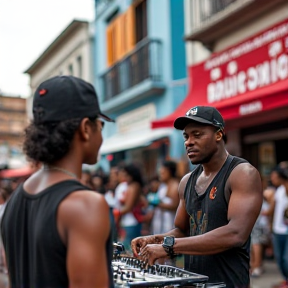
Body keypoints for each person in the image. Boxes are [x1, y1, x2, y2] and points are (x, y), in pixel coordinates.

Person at [1, 75, 115, 288]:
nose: (101, 133)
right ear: (86, 128)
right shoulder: (85, 205)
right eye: (101, 125)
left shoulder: (15, 200)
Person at [131, 106, 263, 288]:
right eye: (186, 136)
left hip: (228, 283)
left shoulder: (241, 174)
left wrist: (168, 246)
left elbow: (235, 234)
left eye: (197, 134)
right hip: (193, 282)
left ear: (218, 135)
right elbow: (182, 230)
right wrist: (155, 240)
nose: (189, 142)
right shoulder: (187, 182)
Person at [114, 163, 145, 251]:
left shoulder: (134, 186)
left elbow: (128, 207)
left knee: (130, 249)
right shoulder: (128, 186)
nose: (124, 177)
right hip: (126, 222)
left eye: (126, 175)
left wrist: (115, 213)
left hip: (132, 222)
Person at [268, 165, 288, 288]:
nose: (272, 179)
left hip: (287, 231)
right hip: (277, 229)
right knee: (279, 259)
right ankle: (286, 280)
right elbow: (272, 209)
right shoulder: (279, 190)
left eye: (274, 176)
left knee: (286, 259)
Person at [150, 160, 179, 235]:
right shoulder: (162, 186)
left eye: (163, 173)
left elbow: (175, 206)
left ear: (169, 172)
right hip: (159, 221)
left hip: (170, 221)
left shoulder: (175, 186)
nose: (161, 175)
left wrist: (158, 204)